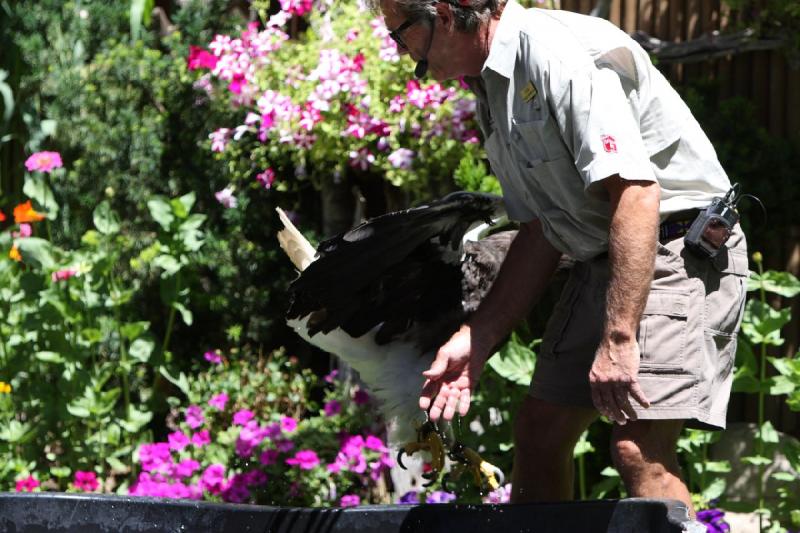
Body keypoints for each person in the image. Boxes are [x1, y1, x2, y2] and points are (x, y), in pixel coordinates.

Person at [371, 0, 749, 514]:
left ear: (440, 15)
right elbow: (542, 228)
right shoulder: (493, 85)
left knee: (637, 447)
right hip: (605, 253)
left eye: (401, 34)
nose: (401, 51)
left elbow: (637, 192)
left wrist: (618, 339)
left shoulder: (555, 54)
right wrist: (476, 339)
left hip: (676, 248)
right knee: (541, 430)